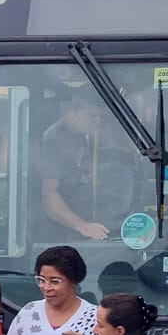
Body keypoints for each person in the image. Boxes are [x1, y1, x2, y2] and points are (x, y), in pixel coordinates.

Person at [41, 94, 111, 240]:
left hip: (87, 224)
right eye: (93, 116)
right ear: (74, 110)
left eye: (100, 117)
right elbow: (48, 196)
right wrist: (81, 225)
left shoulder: (82, 134)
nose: (97, 122)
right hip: (65, 232)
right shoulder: (53, 141)